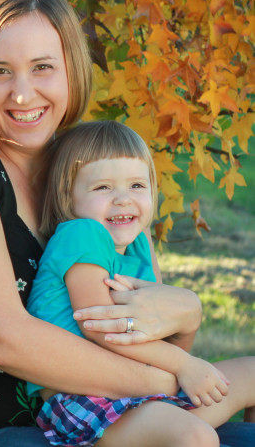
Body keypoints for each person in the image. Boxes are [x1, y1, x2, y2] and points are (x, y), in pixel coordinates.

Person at [0, 0, 252, 447]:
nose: (23, 94)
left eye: (43, 67)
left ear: (71, 68)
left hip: (109, 417)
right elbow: (3, 339)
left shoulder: (94, 177)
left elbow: (154, 335)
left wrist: (189, 314)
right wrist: (169, 383)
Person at [27, 120, 255, 447]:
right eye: (103, 187)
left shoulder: (136, 243)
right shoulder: (80, 234)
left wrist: (184, 360)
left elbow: (161, 337)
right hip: (87, 400)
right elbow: (98, 325)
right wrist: (184, 365)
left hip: (142, 390)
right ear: (68, 195)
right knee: (197, 437)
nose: (123, 199)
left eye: (136, 185)